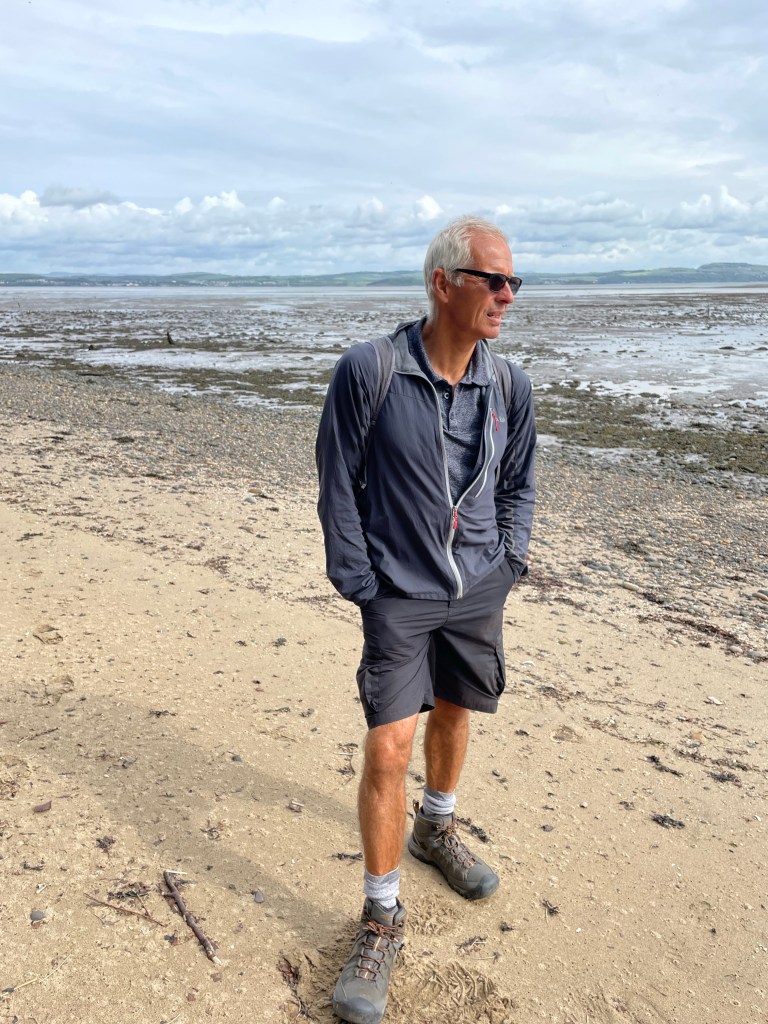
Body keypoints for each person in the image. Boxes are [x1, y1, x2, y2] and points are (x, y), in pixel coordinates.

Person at [315, 215, 536, 1024]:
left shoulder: (509, 385)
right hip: (398, 592)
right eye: (493, 280)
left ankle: (435, 829)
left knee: (456, 708)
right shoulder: (370, 371)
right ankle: (381, 916)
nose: (507, 296)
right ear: (443, 283)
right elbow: (337, 482)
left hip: (479, 586)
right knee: (388, 746)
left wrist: (508, 561)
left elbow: (519, 482)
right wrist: (362, 582)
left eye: (514, 282)